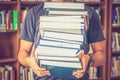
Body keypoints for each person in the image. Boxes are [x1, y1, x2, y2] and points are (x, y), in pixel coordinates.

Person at [18, 2, 106, 80]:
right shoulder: (34, 13)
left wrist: (89, 59)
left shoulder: (89, 13)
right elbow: (22, 54)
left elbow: (101, 56)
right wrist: (29, 62)